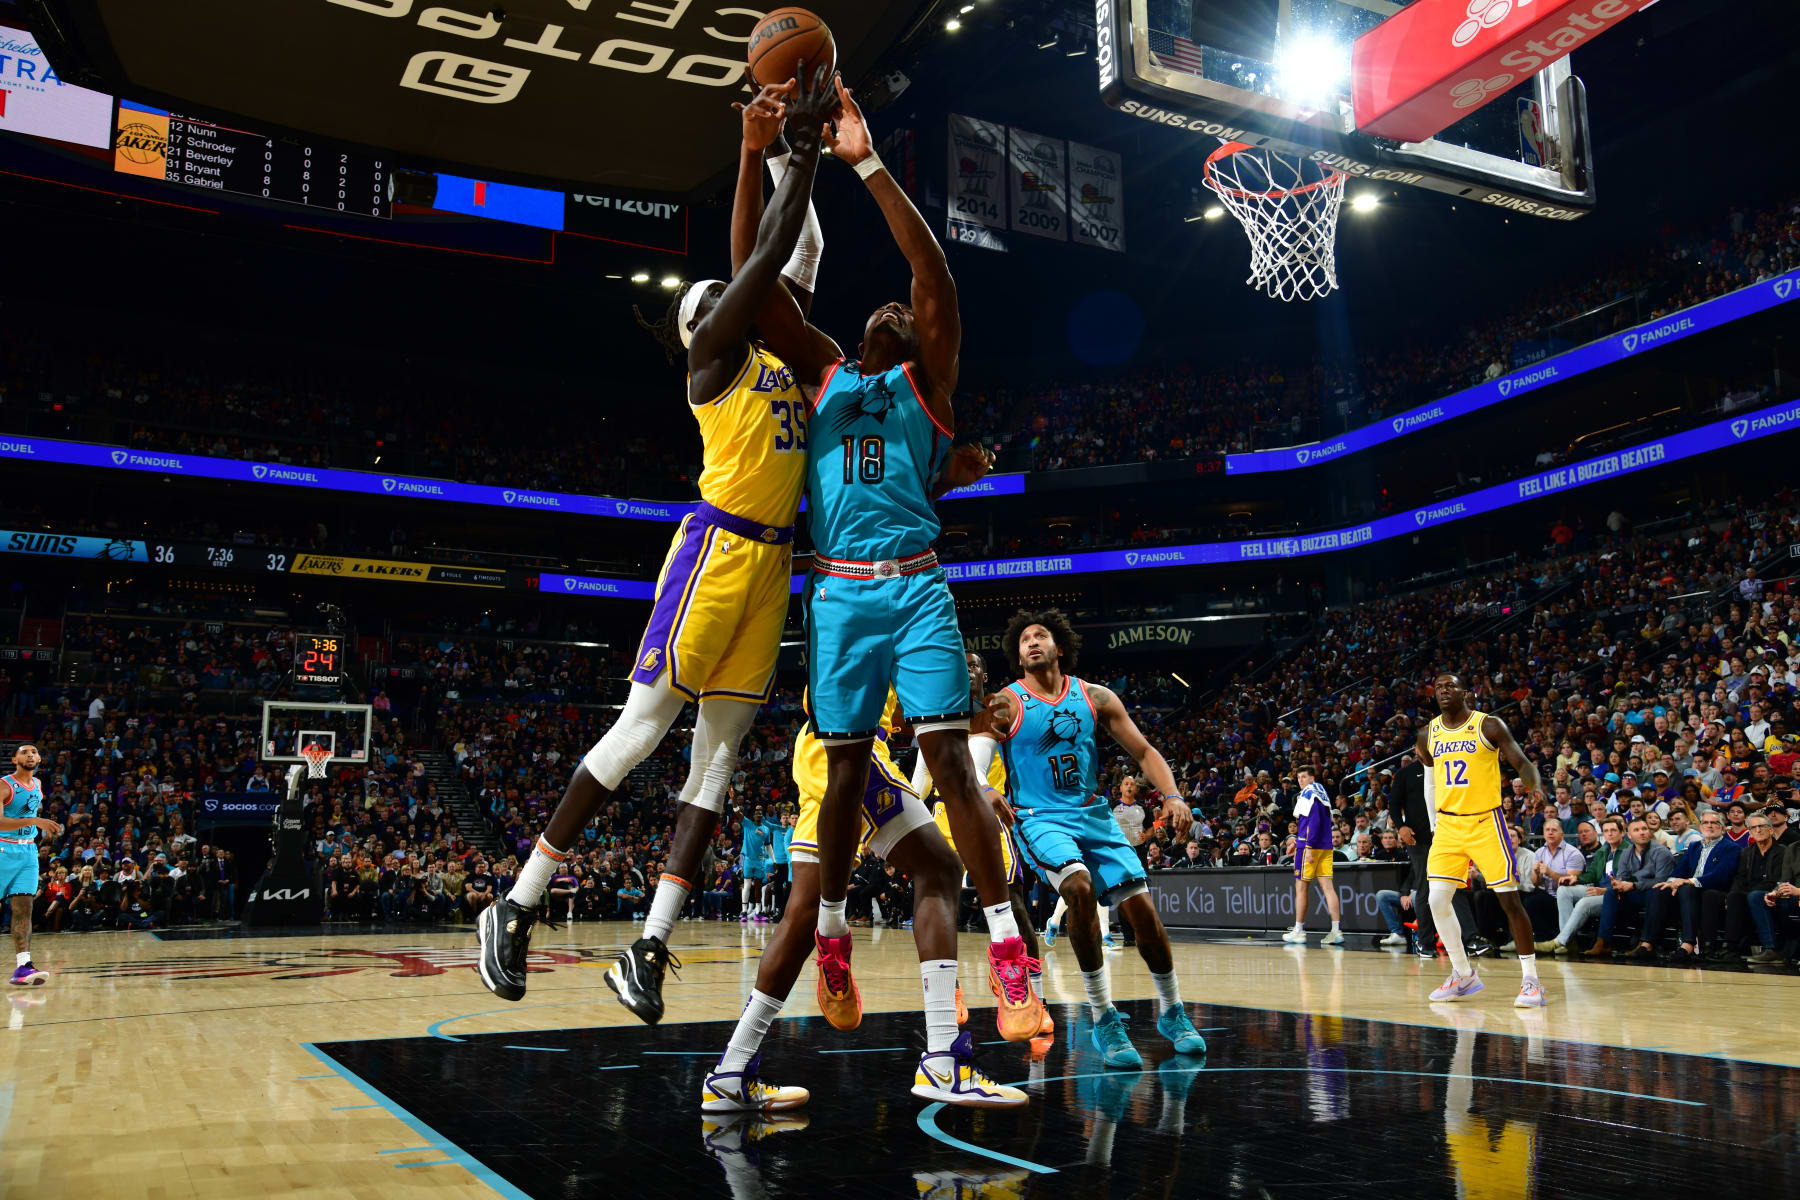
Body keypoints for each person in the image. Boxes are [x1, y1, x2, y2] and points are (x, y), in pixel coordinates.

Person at [476, 67, 839, 1012]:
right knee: (644, 730)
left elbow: (793, 246)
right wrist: (774, 151)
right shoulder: (714, 363)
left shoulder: (780, 354)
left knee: (716, 762)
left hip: (772, 564)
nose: (734, 295)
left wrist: (784, 153)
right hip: (715, 549)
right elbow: (758, 261)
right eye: (717, 297)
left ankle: (650, 942)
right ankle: (516, 906)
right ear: (697, 326)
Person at [745, 75, 1042, 1101]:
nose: (891, 309)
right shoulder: (825, 371)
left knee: (954, 769)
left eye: (903, 316)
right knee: (833, 788)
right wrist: (774, 160)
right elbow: (758, 288)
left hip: (913, 590)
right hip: (834, 597)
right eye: (887, 313)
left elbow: (932, 271)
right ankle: (830, 942)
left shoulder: (929, 387)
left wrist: (866, 160)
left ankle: (1008, 956)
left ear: (917, 341)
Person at [701, 685, 1017, 1113]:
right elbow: (926, 714)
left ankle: (730, 1073)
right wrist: (970, 717)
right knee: (940, 870)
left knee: (803, 910)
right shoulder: (898, 619)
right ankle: (944, 1058)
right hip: (857, 748)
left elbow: (901, 707)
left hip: (822, 746)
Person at [987, 609, 1207, 1069]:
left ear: (1059, 647)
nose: (1032, 642)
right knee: (1079, 887)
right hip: (1039, 816)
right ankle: (1102, 1014)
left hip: (1093, 816)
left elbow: (1144, 751)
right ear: (1017, 655)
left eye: (1041, 635)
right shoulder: (1005, 703)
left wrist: (1172, 795)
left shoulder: (1095, 696)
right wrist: (984, 786)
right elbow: (971, 752)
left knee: (1142, 912)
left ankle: (1172, 1011)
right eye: (1024, 638)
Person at [911, 651, 1054, 1039]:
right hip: (943, 815)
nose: (967, 670)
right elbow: (923, 773)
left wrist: (992, 788)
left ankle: (1036, 998)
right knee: (941, 904)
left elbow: (981, 762)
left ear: (984, 674)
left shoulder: (997, 707)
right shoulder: (935, 712)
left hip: (989, 814)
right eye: (961, 664)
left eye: (974, 665)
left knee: (1015, 903)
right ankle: (950, 991)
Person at [1416, 674, 1549, 1007]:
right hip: (1447, 827)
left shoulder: (1489, 726)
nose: (1443, 691)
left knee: (1509, 901)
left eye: (1450, 686)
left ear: (1466, 692)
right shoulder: (1426, 734)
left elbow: (1521, 762)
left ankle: (1532, 981)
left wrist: (1535, 788)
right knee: (1436, 901)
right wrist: (1434, 824)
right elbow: (1431, 780)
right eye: (1438, 688)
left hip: (1485, 822)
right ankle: (1463, 975)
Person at [1389, 750, 1476, 959]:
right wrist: (1401, 827)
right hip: (1419, 840)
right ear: (1415, 749)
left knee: (1455, 886)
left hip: (1447, 836)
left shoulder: (1446, 770)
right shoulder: (1405, 774)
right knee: (1425, 888)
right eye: (1421, 745)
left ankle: (1471, 939)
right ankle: (1426, 943)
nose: (1424, 749)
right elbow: (1393, 804)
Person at [1646, 810, 1741, 963]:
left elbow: (1721, 875)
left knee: (1686, 888)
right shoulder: (1694, 846)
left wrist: (1690, 881)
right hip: (1688, 888)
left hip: (1713, 890)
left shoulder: (1731, 848)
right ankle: (1648, 942)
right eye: (1705, 822)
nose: (1709, 825)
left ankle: (1688, 943)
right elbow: (1680, 870)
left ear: (1723, 828)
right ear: (1700, 826)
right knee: (1660, 889)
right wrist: (1671, 882)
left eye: (1714, 823)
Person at [0, 745, 60, 985]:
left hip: (27, 851)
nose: (30, 755)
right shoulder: (5, 784)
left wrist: (38, 827)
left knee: (24, 908)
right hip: (3, 848)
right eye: (24, 752)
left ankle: (23, 966)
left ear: (39, 758)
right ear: (15, 759)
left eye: (34, 752)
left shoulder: (37, 785)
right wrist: (34, 820)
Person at [1584, 818, 1674, 959]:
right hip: (1636, 894)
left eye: (1644, 829)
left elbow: (1661, 880)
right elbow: (1622, 876)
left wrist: (1633, 885)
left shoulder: (1661, 852)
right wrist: (1618, 884)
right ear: (1629, 835)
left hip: (1659, 895)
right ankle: (1603, 942)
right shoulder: (1627, 852)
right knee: (1612, 893)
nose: (1642, 833)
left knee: (1655, 891)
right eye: (1637, 830)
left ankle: (1646, 943)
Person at [1283, 765, 1343, 945]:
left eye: (1304, 777)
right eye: (1298, 777)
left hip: (1311, 846)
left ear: (1312, 778)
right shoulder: (1322, 792)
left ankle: (1299, 931)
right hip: (1325, 845)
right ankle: (1336, 930)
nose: (1300, 780)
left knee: (1301, 888)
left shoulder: (1309, 792)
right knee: (1328, 888)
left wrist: (1307, 845)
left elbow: (1313, 821)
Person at [1724, 814, 1788, 964]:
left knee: (1754, 896)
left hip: (1775, 893)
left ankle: (1771, 948)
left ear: (1771, 830)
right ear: (1750, 832)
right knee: (1734, 897)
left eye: (1762, 826)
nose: (1758, 830)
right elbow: (1740, 878)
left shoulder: (1782, 851)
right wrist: (1732, 894)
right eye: (1753, 827)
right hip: (1751, 892)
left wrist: (1749, 892)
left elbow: (1776, 880)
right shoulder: (1746, 853)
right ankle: (1731, 949)